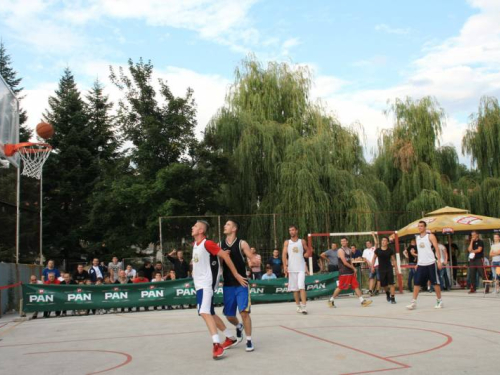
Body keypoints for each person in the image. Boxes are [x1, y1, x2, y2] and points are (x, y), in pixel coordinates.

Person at [190, 219, 248, 360]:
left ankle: (217, 344)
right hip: (199, 285)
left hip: (206, 284)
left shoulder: (208, 243)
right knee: (209, 313)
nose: (192, 227)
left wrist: (236, 274)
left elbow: (225, 257)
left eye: (195, 226)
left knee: (204, 312)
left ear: (201, 231)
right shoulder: (195, 245)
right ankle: (230, 337)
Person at [219, 219, 255, 352]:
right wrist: (222, 257)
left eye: (227, 224)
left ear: (234, 229)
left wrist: (253, 261)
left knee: (244, 312)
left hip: (242, 283)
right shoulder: (220, 244)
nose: (225, 226)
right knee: (229, 316)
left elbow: (252, 259)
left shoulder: (242, 243)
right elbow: (218, 263)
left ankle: (249, 340)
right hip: (228, 284)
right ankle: (239, 326)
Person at [406, 221, 443, 310]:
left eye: (422, 226)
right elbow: (420, 252)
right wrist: (418, 263)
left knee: (435, 283)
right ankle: (413, 302)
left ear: (425, 227)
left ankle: (439, 301)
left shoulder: (430, 236)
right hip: (421, 264)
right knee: (416, 283)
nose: (420, 227)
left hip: (431, 263)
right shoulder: (417, 238)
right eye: (419, 226)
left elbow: (437, 248)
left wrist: (439, 261)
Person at [328, 237, 372, 308]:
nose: (343, 242)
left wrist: (353, 269)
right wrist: (353, 268)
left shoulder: (349, 250)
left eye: (344, 241)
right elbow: (345, 262)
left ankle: (362, 301)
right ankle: (331, 300)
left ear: (347, 242)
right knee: (340, 287)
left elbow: (350, 261)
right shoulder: (340, 250)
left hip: (350, 271)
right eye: (341, 241)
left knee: (355, 285)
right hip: (344, 271)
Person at [282, 224, 311, 314]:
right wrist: (285, 266)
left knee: (301, 286)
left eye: (293, 230)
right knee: (295, 289)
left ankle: (304, 306)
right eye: (290, 230)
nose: (291, 232)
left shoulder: (302, 241)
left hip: (301, 267)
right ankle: (298, 306)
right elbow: (284, 254)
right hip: (291, 268)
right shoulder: (287, 242)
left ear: (296, 231)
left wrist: (307, 254)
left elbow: (309, 250)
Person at [371, 235, 398, 304]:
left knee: (391, 283)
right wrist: (372, 266)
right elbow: (374, 258)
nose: (383, 241)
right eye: (382, 240)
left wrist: (396, 269)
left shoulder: (390, 250)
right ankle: (387, 293)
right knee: (384, 285)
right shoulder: (378, 250)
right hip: (381, 269)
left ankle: (393, 298)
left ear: (387, 242)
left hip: (389, 268)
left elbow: (393, 260)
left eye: (385, 240)